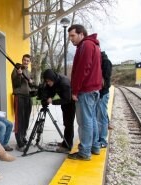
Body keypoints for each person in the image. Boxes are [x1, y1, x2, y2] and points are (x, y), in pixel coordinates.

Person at [67, 24, 102, 161]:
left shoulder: (86, 45)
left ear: (81, 34)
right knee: (91, 119)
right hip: (93, 89)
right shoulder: (94, 45)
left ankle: (84, 152)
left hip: (85, 91)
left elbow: (82, 69)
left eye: (73, 35)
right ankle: (94, 147)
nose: (71, 39)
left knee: (84, 122)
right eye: (70, 36)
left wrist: (75, 91)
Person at [41, 69, 76, 152]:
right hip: (65, 103)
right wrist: (46, 97)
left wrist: (52, 101)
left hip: (71, 103)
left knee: (69, 124)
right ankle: (65, 142)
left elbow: (67, 99)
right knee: (66, 123)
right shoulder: (54, 80)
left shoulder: (64, 83)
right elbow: (50, 90)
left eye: (48, 81)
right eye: (46, 81)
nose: (48, 83)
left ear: (52, 79)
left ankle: (67, 146)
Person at [11, 54, 33, 152]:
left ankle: (23, 137)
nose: (25, 62)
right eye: (24, 60)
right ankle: (19, 142)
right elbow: (15, 84)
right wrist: (19, 75)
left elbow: (31, 86)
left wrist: (32, 82)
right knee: (19, 120)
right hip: (19, 97)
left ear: (29, 62)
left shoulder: (29, 72)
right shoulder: (16, 69)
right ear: (22, 60)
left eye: (27, 61)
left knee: (26, 119)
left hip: (28, 97)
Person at [97, 51, 112, 148]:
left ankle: (102, 140)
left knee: (101, 117)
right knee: (102, 115)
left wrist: (101, 94)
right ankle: (100, 138)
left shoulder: (105, 62)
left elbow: (105, 80)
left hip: (103, 93)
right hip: (100, 93)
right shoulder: (102, 61)